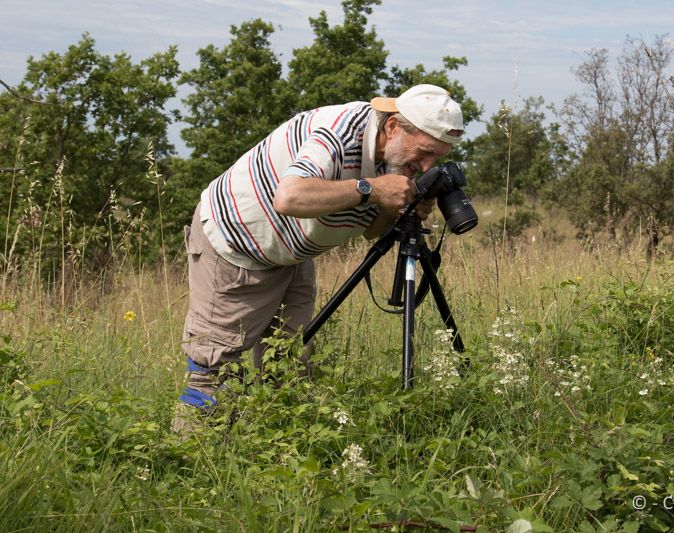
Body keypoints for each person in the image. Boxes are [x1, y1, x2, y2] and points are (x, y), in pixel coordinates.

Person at [171, 84, 464, 432]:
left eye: (438, 157)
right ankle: (188, 462)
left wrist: (401, 205)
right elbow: (290, 197)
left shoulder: (396, 159)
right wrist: (371, 189)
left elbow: (372, 231)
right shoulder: (338, 133)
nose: (428, 165)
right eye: (426, 152)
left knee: (290, 361)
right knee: (213, 364)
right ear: (392, 127)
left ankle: (277, 458)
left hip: (291, 253)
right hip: (237, 244)